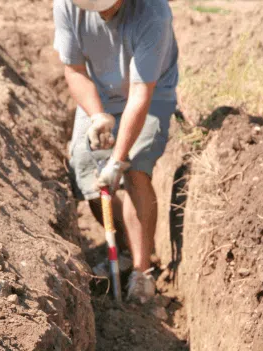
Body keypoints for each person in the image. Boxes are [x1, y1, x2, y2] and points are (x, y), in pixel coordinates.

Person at [53, 0, 178, 303]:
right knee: (86, 169)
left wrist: (118, 160)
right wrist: (97, 115)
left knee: (135, 170)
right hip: (99, 95)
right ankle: (124, 248)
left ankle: (142, 271)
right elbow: (74, 69)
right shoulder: (67, 5)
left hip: (150, 96)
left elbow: (140, 93)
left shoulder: (153, 12)